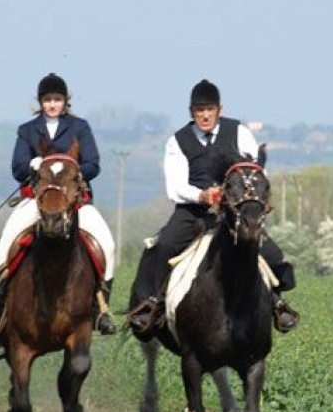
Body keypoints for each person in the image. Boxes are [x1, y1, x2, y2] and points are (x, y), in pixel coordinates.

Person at [128, 78, 299, 337]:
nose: (205, 115)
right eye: (199, 110)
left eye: (209, 109)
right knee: (164, 245)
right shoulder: (178, 141)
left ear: (220, 110)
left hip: (234, 211)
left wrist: (241, 198)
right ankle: (153, 304)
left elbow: (255, 172)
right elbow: (175, 186)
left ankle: (277, 303)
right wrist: (202, 196)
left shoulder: (239, 132)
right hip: (193, 211)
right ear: (191, 112)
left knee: (271, 252)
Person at [0, 72, 117, 335]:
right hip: (36, 201)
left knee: (107, 242)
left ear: (65, 101)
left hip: (75, 201)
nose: (52, 104)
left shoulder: (80, 128)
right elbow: (17, 168)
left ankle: (100, 307)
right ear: (40, 102)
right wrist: (32, 164)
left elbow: (93, 164)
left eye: (57, 99)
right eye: (47, 99)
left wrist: (72, 171)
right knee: (8, 240)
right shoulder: (27, 130)